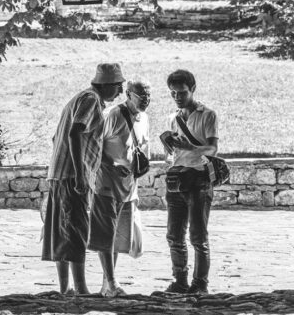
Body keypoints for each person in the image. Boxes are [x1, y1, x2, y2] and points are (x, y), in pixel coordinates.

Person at [41, 62, 124, 295]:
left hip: (59, 173)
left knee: (62, 230)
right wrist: (80, 173)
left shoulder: (78, 98)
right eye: (118, 87)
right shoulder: (91, 100)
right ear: (107, 85)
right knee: (76, 230)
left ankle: (65, 288)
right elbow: (74, 132)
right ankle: (80, 288)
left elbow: (57, 136)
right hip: (72, 175)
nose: (119, 93)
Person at [158, 69, 218, 295]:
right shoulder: (173, 118)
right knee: (174, 235)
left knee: (198, 236)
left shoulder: (207, 115)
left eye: (182, 92)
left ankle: (200, 284)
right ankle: (180, 281)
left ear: (192, 89)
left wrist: (190, 147)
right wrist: (168, 143)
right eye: (173, 93)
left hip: (199, 179)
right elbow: (172, 155)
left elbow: (212, 148)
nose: (177, 97)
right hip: (176, 178)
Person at [89, 79, 151, 297]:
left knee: (117, 236)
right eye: (141, 97)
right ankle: (112, 283)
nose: (146, 101)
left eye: (148, 97)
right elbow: (95, 145)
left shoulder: (144, 119)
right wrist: (112, 166)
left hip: (128, 184)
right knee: (105, 233)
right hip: (107, 182)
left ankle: (107, 283)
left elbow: (143, 146)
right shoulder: (113, 116)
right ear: (128, 94)